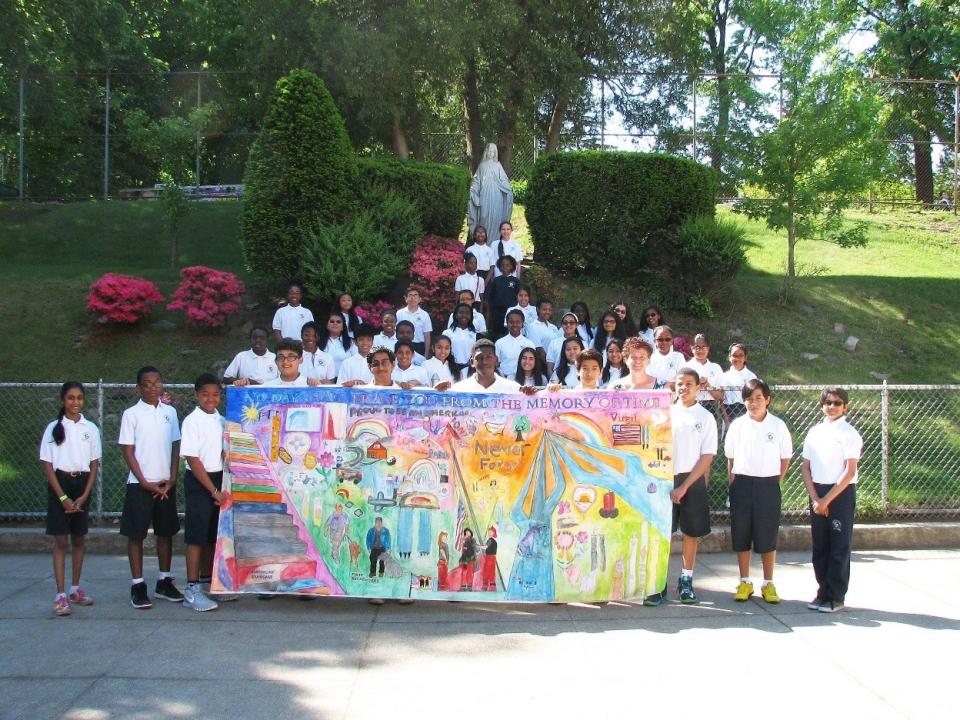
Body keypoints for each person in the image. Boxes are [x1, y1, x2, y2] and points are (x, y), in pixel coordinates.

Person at [649, 368, 716, 606]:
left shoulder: (705, 417)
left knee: (690, 533)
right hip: (664, 478)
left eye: (689, 383)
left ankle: (686, 581)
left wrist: (685, 486)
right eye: (680, 383)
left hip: (692, 480)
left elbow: (707, 456)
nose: (684, 388)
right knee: (662, 533)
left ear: (698, 387)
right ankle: (659, 584)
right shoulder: (663, 412)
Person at [118, 366, 183, 609]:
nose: (153, 387)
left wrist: (172, 477)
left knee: (165, 534)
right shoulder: (131, 414)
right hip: (141, 485)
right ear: (139, 388)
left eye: (157, 382)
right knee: (136, 535)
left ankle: (164, 581)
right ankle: (138, 585)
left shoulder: (170, 412)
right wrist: (144, 481)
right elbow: (128, 450)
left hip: (165, 485)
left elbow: (176, 445)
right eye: (147, 383)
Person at [724, 379, 793, 604]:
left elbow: (785, 459)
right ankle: (744, 581)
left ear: (768, 400)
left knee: (767, 534)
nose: (753, 403)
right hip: (742, 484)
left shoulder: (778, 425)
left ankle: (768, 583)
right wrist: (734, 482)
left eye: (758, 398)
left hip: (768, 486)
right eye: (749, 399)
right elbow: (730, 459)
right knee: (742, 533)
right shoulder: (737, 425)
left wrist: (774, 481)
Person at [39, 382, 101, 616]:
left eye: (79, 398)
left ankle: (75, 589)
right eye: (70, 398)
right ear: (63, 401)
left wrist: (84, 495)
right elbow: (47, 465)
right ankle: (60, 595)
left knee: (78, 539)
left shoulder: (90, 428)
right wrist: (63, 497)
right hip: (60, 486)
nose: (75, 403)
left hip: (81, 485)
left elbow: (94, 463)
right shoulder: (54, 428)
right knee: (61, 542)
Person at [801, 387, 863, 613]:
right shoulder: (814, 432)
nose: (832, 407)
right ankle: (822, 591)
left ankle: (835, 595)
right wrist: (816, 498)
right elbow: (805, 468)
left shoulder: (849, 433)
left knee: (838, 546)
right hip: (818, 492)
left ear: (845, 406)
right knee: (820, 546)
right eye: (828, 402)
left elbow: (849, 471)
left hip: (840, 493)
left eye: (837, 403)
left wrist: (827, 500)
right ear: (822, 405)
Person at [180, 374, 226, 612]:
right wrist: (213, 490)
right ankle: (192, 587)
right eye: (206, 394)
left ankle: (209, 582)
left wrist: (221, 487)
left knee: (211, 536)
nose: (211, 399)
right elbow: (192, 458)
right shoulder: (192, 421)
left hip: (218, 479)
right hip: (201, 482)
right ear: (197, 395)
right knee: (196, 536)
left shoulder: (222, 420)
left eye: (216, 394)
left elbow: (224, 453)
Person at [467, 143, 514, 247]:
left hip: (497, 196)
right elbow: (476, 181)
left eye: (493, 152)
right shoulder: (482, 166)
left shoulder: (498, 165)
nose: (491, 154)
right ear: (486, 152)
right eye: (489, 151)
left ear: (495, 153)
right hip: (484, 195)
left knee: (496, 219)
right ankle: (483, 244)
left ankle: (494, 245)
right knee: (483, 216)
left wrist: (508, 189)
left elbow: (504, 179)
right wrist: (474, 192)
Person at [454, 339, 522, 393]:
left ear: (496, 360)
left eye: (488, 357)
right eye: (479, 357)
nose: (484, 362)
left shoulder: (513, 389)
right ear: (472, 362)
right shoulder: (459, 390)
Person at [681, 334, 725, 418]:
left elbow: (721, 396)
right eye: (697, 347)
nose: (700, 351)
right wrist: (696, 387)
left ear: (708, 348)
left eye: (703, 347)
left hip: (711, 407)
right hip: (691, 405)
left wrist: (708, 386)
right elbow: (682, 392)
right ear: (691, 348)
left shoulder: (716, 368)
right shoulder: (686, 367)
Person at [720, 343, 757, 422]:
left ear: (745, 358)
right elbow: (721, 400)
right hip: (728, 411)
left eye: (740, 355)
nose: (737, 358)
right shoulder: (724, 376)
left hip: (746, 411)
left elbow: (754, 399)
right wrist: (726, 418)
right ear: (729, 357)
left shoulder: (751, 376)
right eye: (734, 355)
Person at [485, 255, 520, 335]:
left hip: (511, 312)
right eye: (502, 265)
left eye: (507, 265)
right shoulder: (496, 280)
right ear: (499, 267)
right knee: (497, 332)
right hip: (497, 312)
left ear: (512, 266)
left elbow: (519, 295)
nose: (505, 267)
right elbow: (491, 296)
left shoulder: (515, 281)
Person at [496, 309, 536, 379]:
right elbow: (496, 364)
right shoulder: (499, 343)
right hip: (504, 380)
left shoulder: (529, 343)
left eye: (518, 322)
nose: (514, 325)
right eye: (511, 322)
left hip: (524, 381)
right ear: (507, 323)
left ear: (522, 324)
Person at [396, 287, 432, 357]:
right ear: (405, 298)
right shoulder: (399, 313)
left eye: (415, 295)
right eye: (410, 295)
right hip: (403, 345)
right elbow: (396, 332)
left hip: (419, 346)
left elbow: (427, 335)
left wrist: (426, 353)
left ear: (420, 299)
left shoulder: (425, 315)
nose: (413, 298)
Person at [317, 311, 356, 375]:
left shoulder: (351, 342)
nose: (335, 323)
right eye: (332, 321)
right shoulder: (319, 341)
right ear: (327, 325)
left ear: (343, 327)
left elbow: (356, 361)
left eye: (338, 322)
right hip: (324, 381)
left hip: (345, 380)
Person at [546, 312, 581, 377]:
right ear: (562, 325)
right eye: (565, 323)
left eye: (571, 323)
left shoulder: (583, 343)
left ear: (577, 325)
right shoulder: (554, 343)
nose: (568, 325)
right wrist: (554, 382)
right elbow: (550, 368)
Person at [481, 526, 498, 590]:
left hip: (490, 558)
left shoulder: (490, 540)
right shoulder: (493, 541)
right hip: (492, 558)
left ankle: (485, 587)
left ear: (493, 533)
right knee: (491, 572)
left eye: (490, 532)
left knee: (487, 572)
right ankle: (492, 587)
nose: (489, 533)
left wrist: (478, 546)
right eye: (489, 532)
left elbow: (485, 547)